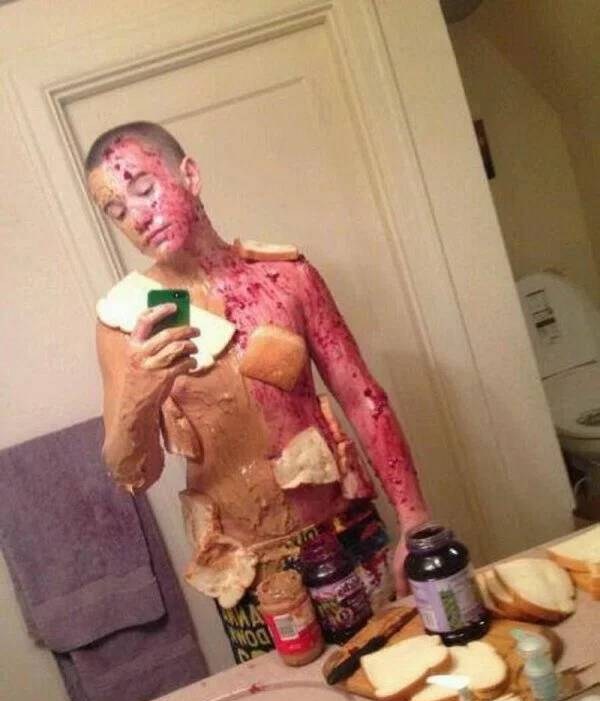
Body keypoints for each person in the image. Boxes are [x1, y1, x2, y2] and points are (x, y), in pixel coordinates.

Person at [87, 121, 429, 662]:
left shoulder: (287, 277)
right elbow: (132, 474)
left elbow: (362, 397)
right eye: (117, 211)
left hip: (345, 531)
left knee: (401, 667)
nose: (137, 217)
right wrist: (140, 394)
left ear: (190, 175)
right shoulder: (127, 321)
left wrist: (415, 520)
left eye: (144, 189)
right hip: (244, 570)